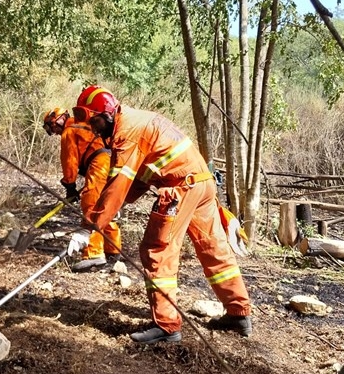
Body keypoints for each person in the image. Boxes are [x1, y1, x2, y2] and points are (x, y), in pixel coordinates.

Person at [66, 85, 253, 344]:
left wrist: (89, 227)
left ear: (107, 113)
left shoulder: (127, 132)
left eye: (95, 121)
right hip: (201, 183)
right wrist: (118, 204)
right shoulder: (137, 122)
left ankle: (166, 326)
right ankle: (238, 312)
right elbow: (140, 177)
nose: (95, 129)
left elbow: (118, 182)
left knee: (158, 249)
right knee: (214, 248)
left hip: (180, 188)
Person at [42, 107, 122, 272]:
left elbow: (69, 161)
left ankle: (93, 254)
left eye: (52, 127)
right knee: (106, 206)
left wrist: (70, 185)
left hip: (99, 164)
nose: (54, 132)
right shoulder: (84, 125)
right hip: (112, 163)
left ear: (57, 120)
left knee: (91, 204)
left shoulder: (69, 131)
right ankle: (112, 251)